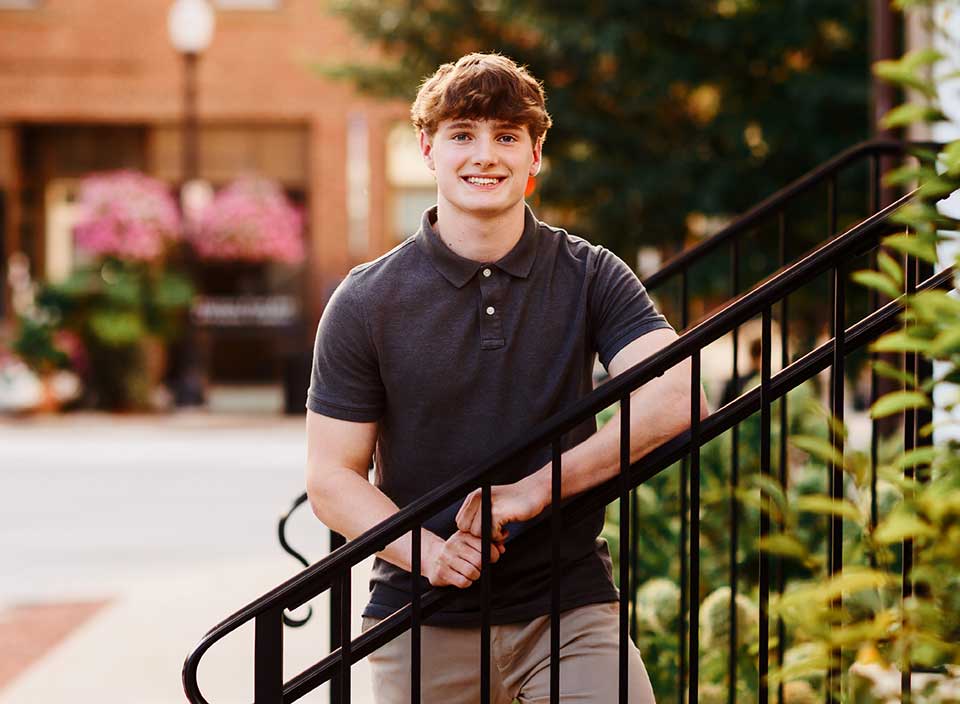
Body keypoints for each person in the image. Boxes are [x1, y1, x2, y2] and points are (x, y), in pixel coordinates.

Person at [305, 53, 704, 704]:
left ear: (535, 154)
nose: (484, 156)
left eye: (507, 136)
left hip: (568, 606)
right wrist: (431, 555)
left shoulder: (591, 273)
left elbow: (679, 394)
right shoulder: (365, 299)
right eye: (463, 134)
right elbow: (331, 477)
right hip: (421, 611)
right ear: (428, 149)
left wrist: (534, 490)